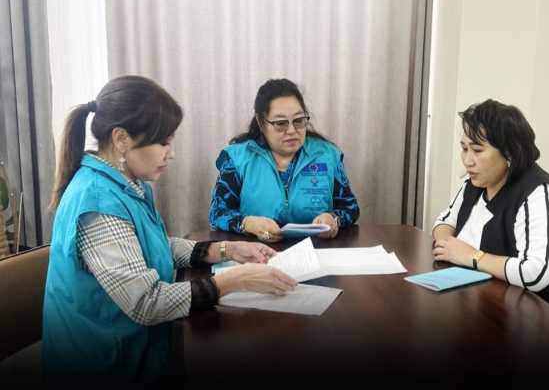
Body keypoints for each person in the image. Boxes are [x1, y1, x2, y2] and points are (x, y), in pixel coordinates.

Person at [43, 76, 296, 383]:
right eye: (163, 142)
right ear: (121, 139)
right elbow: (145, 302)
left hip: (136, 349)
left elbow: (154, 245)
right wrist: (236, 280)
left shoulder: (128, 184)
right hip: (103, 367)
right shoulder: (97, 205)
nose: (171, 153)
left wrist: (227, 250)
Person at [432, 99, 549, 325]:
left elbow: (534, 273)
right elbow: (444, 221)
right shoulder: (476, 182)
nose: (467, 160)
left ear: (509, 153)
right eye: (464, 148)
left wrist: (472, 256)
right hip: (497, 305)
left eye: (477, 150)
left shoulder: (539, 193)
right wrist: (448, 247)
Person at [209, 78, 359, 242]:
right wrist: (247, 223)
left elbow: (350, 208)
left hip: (317, 249)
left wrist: (333, 219)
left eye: (299, 121)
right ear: (261, 122)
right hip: (257, 251)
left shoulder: (327, 155)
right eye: (281, 123)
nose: (292, 130)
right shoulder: (237, 159)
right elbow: (217, 213)